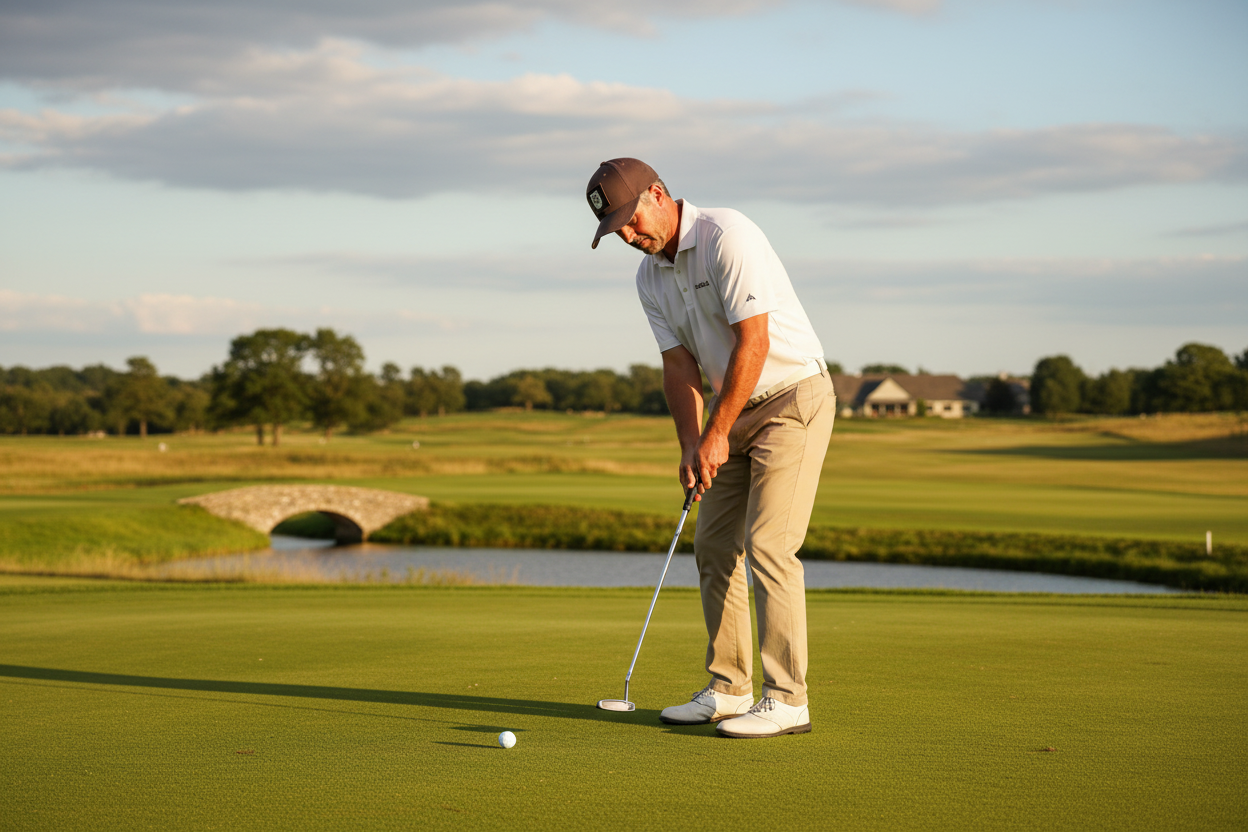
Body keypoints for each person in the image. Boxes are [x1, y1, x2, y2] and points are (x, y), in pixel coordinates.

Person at [585, 158, 836, 739]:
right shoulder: (649, 277)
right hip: (731, 409)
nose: (627, 234)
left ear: (657, 192)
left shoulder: (728, 235)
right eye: (614, 229)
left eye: (629, 219)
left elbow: (755, 341)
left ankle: (788, 698)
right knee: (715, 544)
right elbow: (678, 367)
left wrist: (716, 432)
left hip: (790, 397)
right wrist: (691, 444)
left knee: (769, 542)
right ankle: (729, 689)